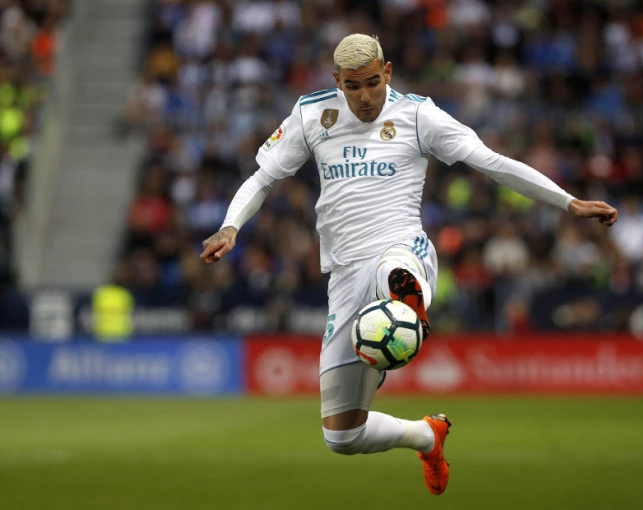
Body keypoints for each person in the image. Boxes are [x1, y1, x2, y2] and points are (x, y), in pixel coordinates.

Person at [200, 34, 618, 495]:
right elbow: (263, 178)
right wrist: (230, 226)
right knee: (342, 436)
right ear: (337, 81)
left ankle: (406, 305)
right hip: (344, 274)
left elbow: (492, 162)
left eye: (372, 83)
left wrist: (568, 202)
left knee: (395, 273)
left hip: (401, 248)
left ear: (388, 72)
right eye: (353, 86)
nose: (364, 96)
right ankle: (426, 436)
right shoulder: (312, 114)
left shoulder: (419, 115)